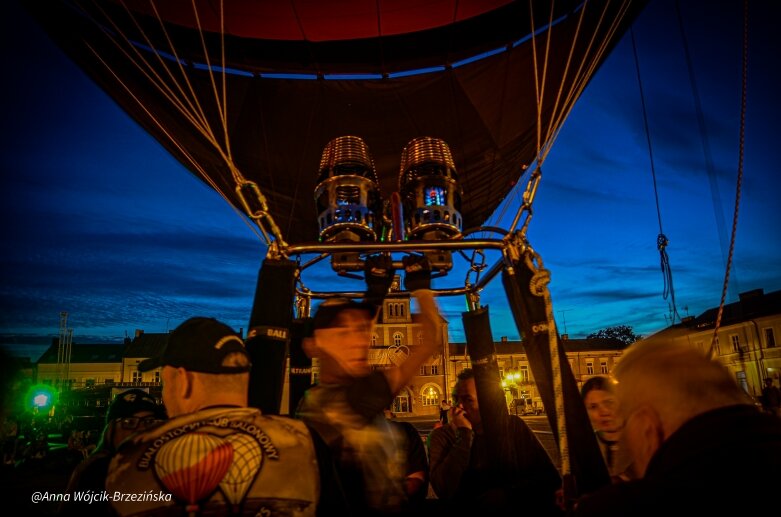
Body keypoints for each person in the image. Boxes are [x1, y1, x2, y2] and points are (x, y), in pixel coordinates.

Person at [105, 317, 348, 516]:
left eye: (165, 382)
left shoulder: (130, 457)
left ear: (184, 381)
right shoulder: (305, 442)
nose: (165, 395)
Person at [296, 257, 443, 516]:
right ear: (312, 346)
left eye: (361, 331)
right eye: (343, 334)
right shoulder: (349, 402)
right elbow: (429, 340)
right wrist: (421, 287)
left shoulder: (316, 397)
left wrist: (375, 293)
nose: (358, 341)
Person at [574, 340, 781, 516]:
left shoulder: (623, 508)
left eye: (624, 411)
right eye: (593, 407)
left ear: (647, 427)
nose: (606, 413)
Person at [428, 368, 563, 515]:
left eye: (468, 400)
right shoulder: (441, 436)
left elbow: (548, 479)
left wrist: (507, 495)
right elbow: (443, 489)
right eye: (456, 399)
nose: (459, 406)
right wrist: (464, 435)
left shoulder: (511, 427)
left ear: (487, 402)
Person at [61, 388, 167, 515]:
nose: (141, 428)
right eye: (130, 422)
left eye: (149, 421)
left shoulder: (162, 468)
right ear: (111, 429)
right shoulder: (95, 472)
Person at [580, 376, 633, 480]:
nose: (604, 411)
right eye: (593, 407)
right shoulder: (586, 447)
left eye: (609, 402)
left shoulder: (643, 441)